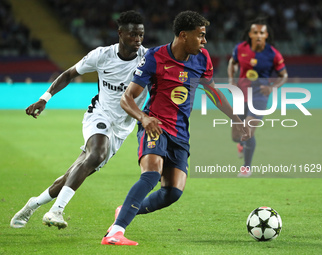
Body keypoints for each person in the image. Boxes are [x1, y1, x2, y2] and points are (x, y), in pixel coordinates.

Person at [101, 10, 251, 246]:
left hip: (180, 133)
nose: (204, 41)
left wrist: (235, 118)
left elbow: (212, 91)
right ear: (183, 35)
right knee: (151, 174)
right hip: (155, 126)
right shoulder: (155, 57)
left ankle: (126, 210)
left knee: (173, 193)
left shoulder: (202, 59)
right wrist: (143, 118)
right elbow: (126, 98)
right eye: (200, 35)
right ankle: (115, 232)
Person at [10, 10, 148, 229]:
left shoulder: (147, 59)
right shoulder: (102, 55)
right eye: (133, 35)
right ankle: (56, 211)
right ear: (120, 33)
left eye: (141, 35)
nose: (138, 40)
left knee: (75, 173)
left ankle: (33, 204)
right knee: (96, 154)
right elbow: (68, 74)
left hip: (123, 127)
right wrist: (44, 98)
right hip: (100, 114)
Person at [227, 17, 288, 177]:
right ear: (250, 34)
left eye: (262, 32)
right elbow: (232, 63)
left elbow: (284, 75)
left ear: (266, 34)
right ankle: (240, 144)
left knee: (248, 131)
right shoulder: (240, 48)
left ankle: (246, 167)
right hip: (240, 95)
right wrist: (231, 80)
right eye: (255, 32)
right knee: (235, 136)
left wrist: (272, 87)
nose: (259, 35)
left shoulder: (273, 54)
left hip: (259, 96)